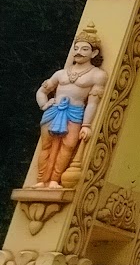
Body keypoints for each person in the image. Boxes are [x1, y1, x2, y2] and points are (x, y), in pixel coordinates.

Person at [32, 28, 106, 189]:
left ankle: (54, 181)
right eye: (77, 48)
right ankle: (40, 180)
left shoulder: (97, 75)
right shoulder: (60, 73)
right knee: (47, 145)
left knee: (69, 145)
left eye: (85, 49)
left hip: (75, 112)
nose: (79, 52)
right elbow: (42, 91)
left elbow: (92, 102)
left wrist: (86, 125)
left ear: (94, 53)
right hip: (54, 110)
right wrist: (44, 104)